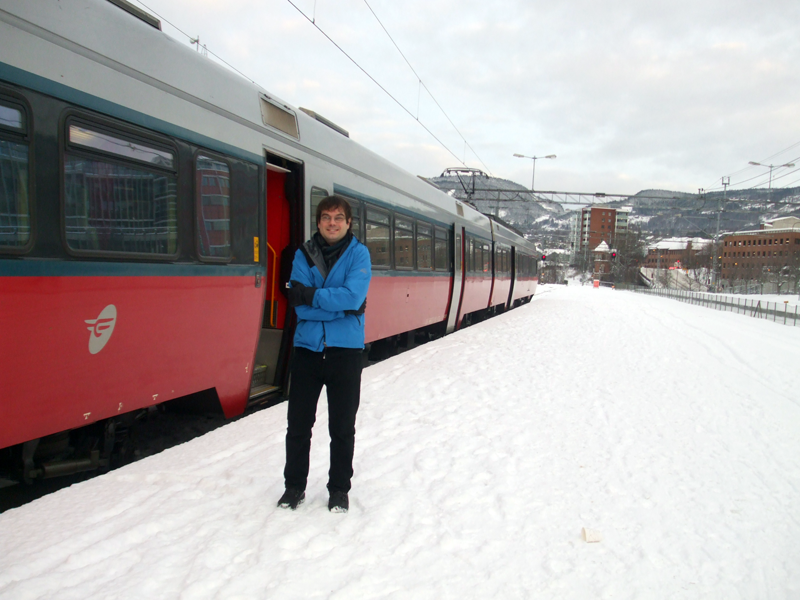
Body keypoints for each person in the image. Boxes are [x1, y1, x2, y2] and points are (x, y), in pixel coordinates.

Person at [278, 195, 371, 513]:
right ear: (318, 222)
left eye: (339, 217)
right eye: (327, 217)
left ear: (348, 223)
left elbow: (352, 295)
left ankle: (339, 489)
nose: (333, 223)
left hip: (346, 353)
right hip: (307, 350)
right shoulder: (303, 255)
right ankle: (294, 487)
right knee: (298, 425)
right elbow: (298, 304)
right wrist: (342, 309)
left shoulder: (360, 254)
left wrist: (315, 298)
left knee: (342, 427)